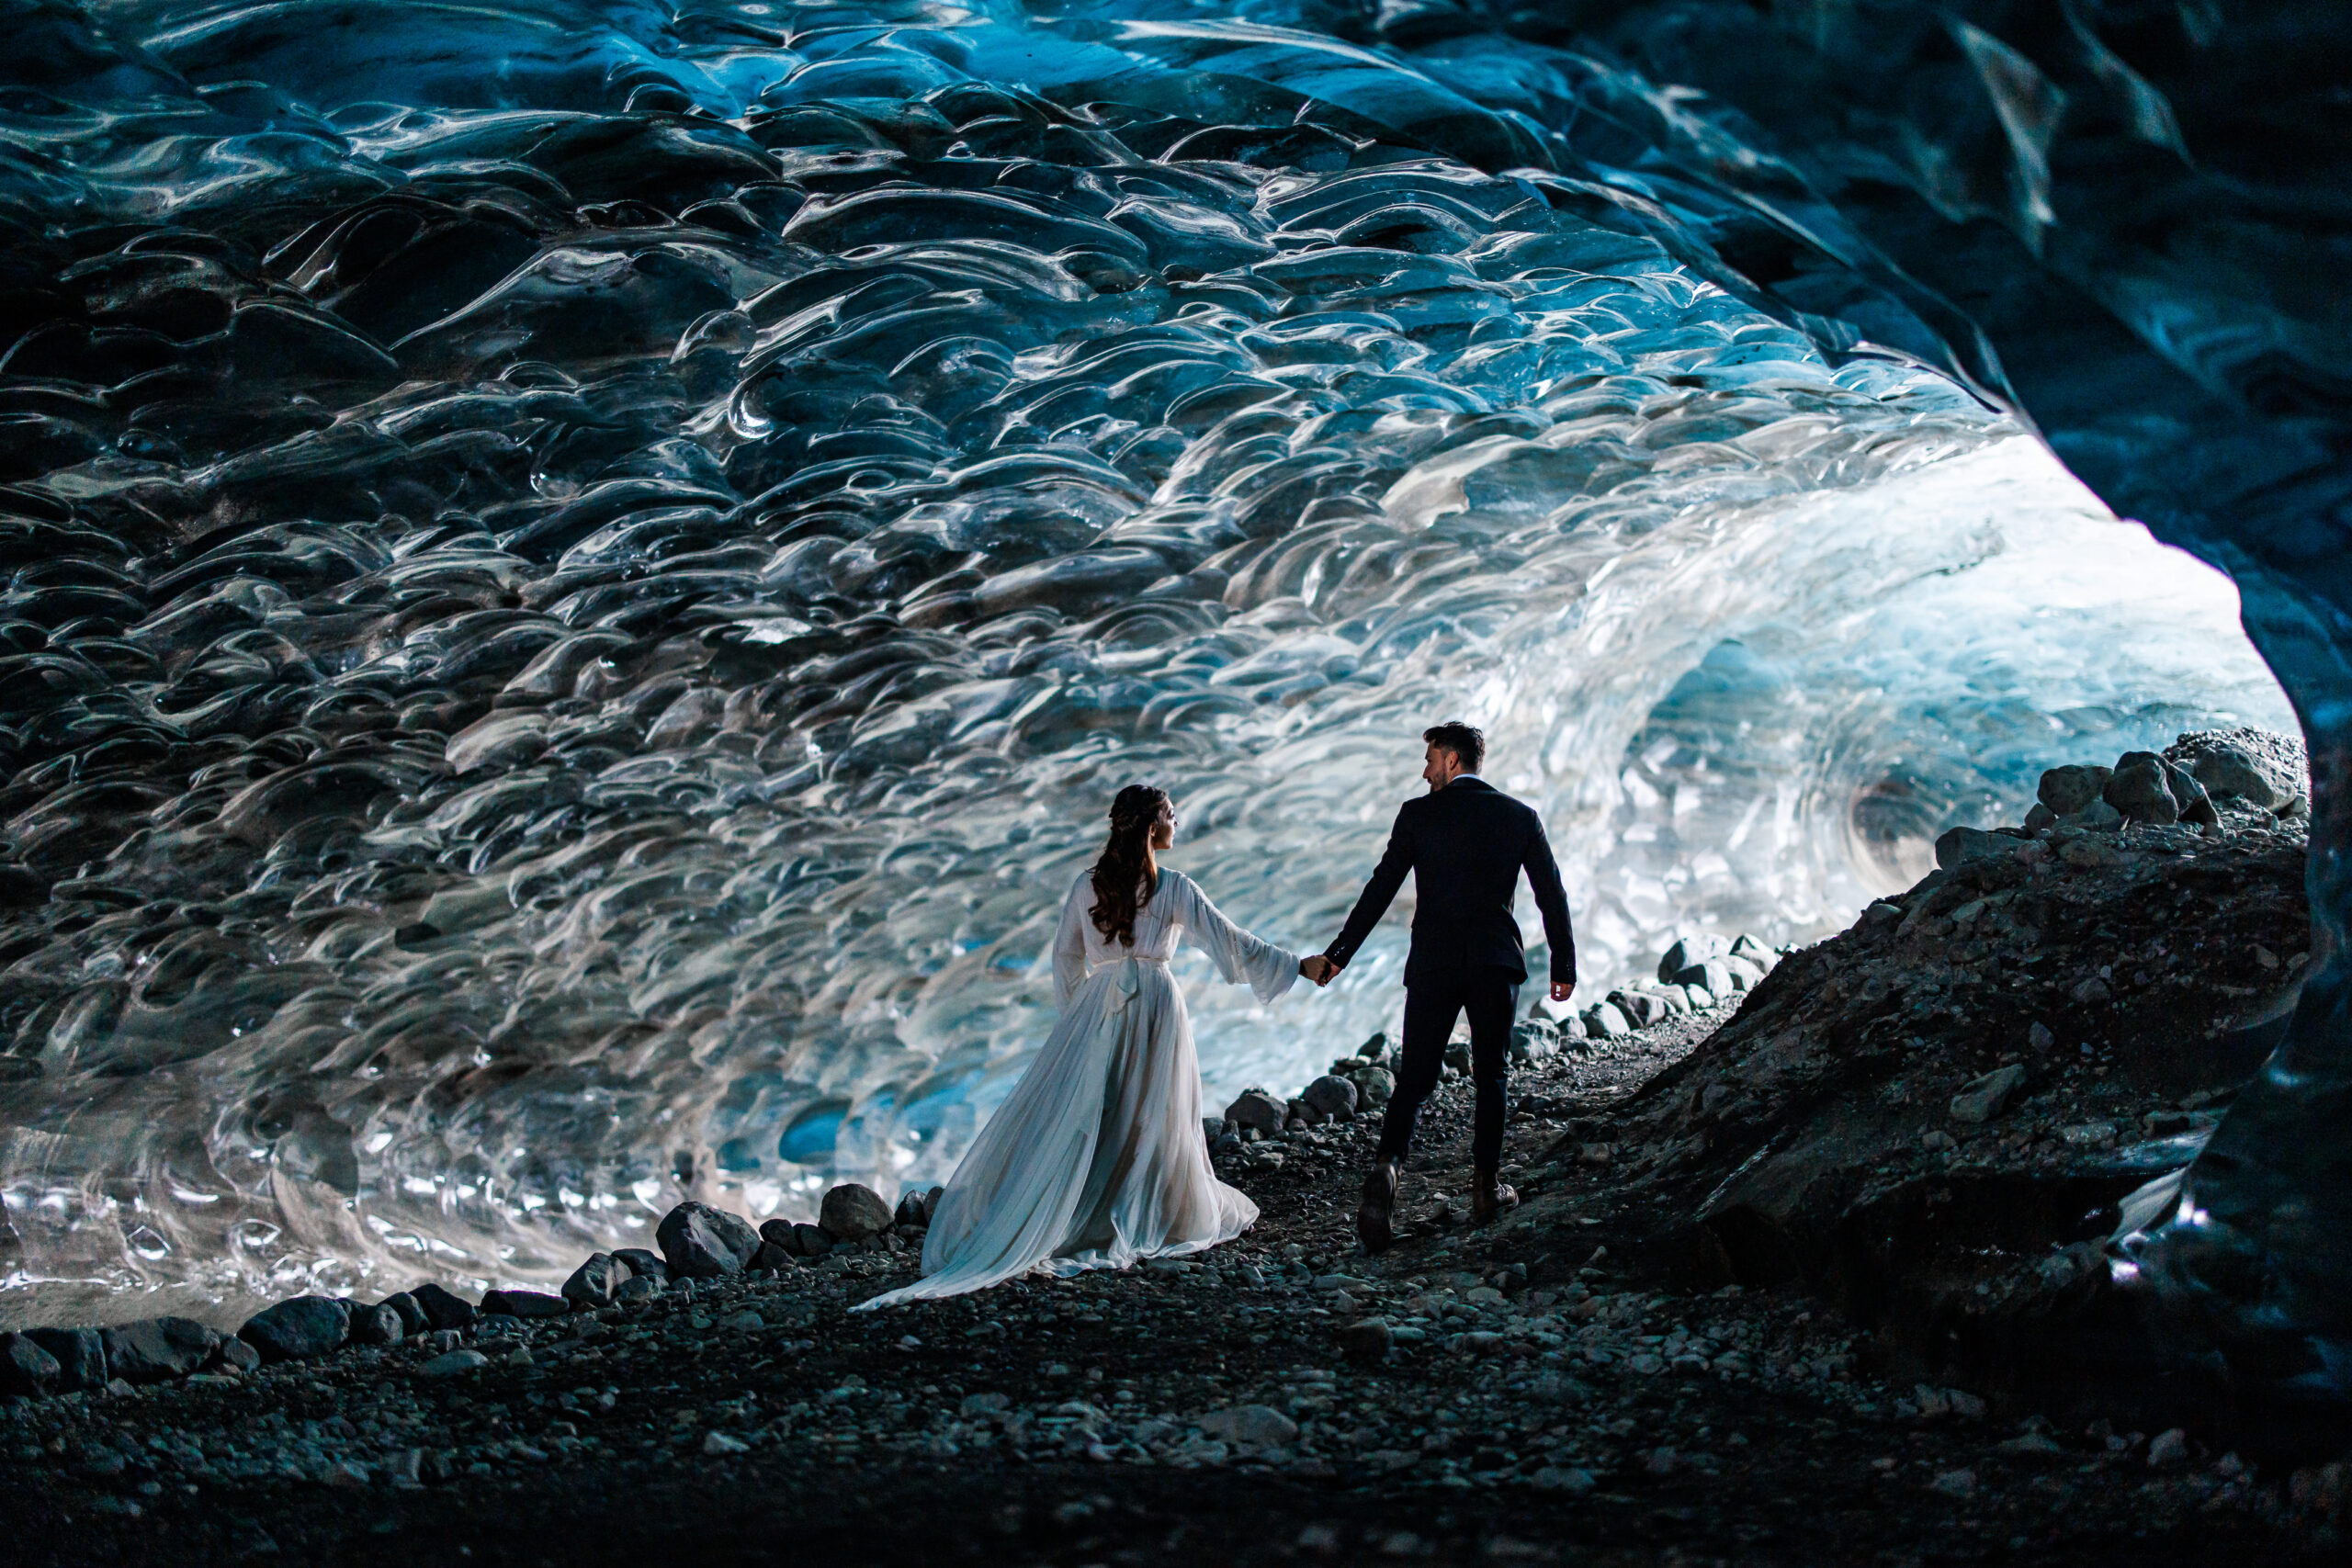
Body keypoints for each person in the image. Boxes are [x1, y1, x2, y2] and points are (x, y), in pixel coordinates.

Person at [857, 784, 1314, 1308]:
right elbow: (1230, 940)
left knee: (1099, 1108)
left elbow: (1064, 958)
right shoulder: (1174, 888)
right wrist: (1295, 965)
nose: (1177, 823)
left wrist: (1079, 1016)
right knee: (1152, 1111)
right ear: (1150, 827)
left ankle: (1084, 1205)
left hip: (1100, 1006)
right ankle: (1150, 1205)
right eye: (1171, 816)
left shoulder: (1086, 886)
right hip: (1157, 1004)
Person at [1300, 723, 1576, 1253]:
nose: (1424, 771)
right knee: (1492, 1071)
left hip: (1433, 964)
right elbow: (1551, 895)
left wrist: (1339, 956)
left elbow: (1380, 890)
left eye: (1429, 760)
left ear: (1452, 760)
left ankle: (1385, 1176)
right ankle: (1485, 1189)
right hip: (1494, 962)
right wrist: (1563, 964)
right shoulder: (1520, 817)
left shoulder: (1418, 815)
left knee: (1415, 1079)